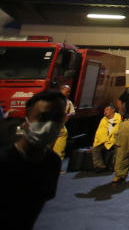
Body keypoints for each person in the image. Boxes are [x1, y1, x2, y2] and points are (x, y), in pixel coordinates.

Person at [0, 89, 67, 229]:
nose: (50, 125)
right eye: (43, 117)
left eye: (57, 117)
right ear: (26, 121)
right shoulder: (4, 160)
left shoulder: (52, 162)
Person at [91, 104, 122, 172]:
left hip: (116, 141)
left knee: (118, 148)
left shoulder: (120, 118)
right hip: (105, 141)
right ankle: (99, 165)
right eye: (104, 110)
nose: (105, 111)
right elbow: (99, 133)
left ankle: (114, 165)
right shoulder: (103, 120)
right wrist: (103, 141)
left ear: (113, 110)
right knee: (95, 148)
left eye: (107, 110)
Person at [50, 83, 75, 160]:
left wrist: (68, 115)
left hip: (60, 127)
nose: (68, 93)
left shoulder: (68, 102)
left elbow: (73, 112)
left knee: (59, 149)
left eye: (69, 92)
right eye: (67, 91)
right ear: (61, 91)